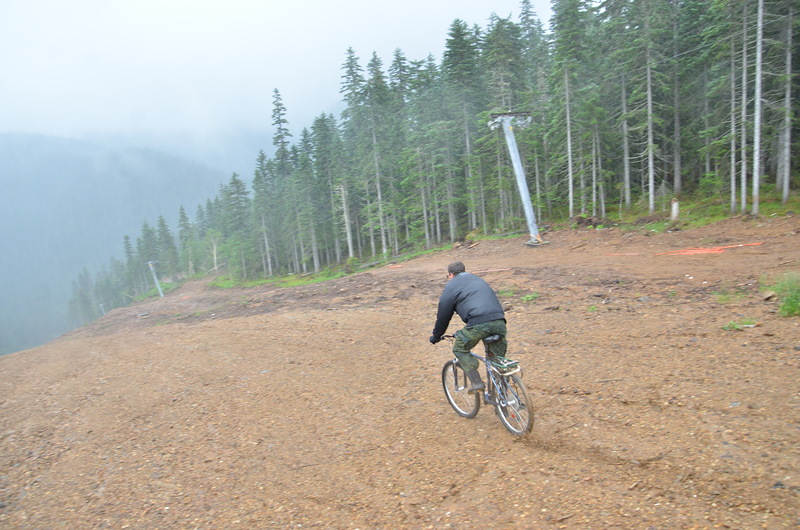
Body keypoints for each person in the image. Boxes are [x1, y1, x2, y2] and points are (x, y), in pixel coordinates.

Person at [429, 261, 507, 394]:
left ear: (450, 275)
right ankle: (504, 398)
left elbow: (443, 316)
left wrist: (436, 336)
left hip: (479, 323)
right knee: (497, 362)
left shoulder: (451, 286)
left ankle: (477, 382)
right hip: (499, 320)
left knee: (460, 348)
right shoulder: (477, 279)